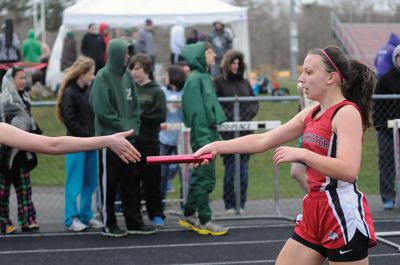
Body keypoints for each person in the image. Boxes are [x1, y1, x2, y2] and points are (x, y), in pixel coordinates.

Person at [195, 46, 377, 264]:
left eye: (309, 72)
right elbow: (262, 140)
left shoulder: (346, 113)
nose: (301, 79)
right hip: (314, 209)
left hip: (340, 211)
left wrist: (303, 154)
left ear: (332, 77)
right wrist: (216, 146)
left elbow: (348, 170)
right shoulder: (311, 113)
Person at [90, 39, 156, 237]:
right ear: (116, 53)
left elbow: (135, 107)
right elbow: (102, 110)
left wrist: (133, 128)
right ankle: (109, 223)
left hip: (129, 141)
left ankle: (134, 222)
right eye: (125, 53)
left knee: (131, 182)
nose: (128, 56)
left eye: (129, 53)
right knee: (109, 184)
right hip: (108, 142)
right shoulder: (102, 77)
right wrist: (122, 129)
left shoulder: (127, 77)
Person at [179, 41, 228, 236]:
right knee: (204, 179)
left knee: (202, 176)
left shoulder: (204, 77)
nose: (214, 55)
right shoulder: (195, 80)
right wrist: (204, 140)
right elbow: (197, 113)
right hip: (203, 135)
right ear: (199, 55)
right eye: (209, 52)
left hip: (209, 133)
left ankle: (189, 214)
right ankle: (205, 219)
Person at [56, 56, 103, 231]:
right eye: (91, 73)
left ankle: (86, 215)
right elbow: (69, 120)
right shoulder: (70, 93)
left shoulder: (88, 91)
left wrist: (92, 138)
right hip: (76, 144)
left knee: (90, 182)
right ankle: (70, 218)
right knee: (74, 182)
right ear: (82, 73)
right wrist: (86, 137)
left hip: (90, 143)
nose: (93, 76)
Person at [213, 50, 259, 215]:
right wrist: (234, 116)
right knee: (231, 172)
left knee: (244, 172)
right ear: (227, 64)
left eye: (238, 63)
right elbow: (218, 106)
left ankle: (241, 204)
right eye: (233, 63)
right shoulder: (218, 82)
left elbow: (254, 103)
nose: (235, 66)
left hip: (246, 133)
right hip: (229, 135)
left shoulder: (245, 83)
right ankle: (229, 205)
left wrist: (246, 115)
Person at [0, 66, 41, 234]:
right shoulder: (4, 100)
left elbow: (28, 120)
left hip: (22, 152)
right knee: (2, 192)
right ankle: (3, 222)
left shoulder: (25, 99)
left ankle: (27, 219)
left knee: (24, 189)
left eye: (25, 78)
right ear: (11, 79)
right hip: (4, 154)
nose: (24, 81)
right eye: (20, 78)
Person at [129, 54, 167, 227]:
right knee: (132, 181)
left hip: (150, 142)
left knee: (152, 181)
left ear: (146, 69)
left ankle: (156, 213)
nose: (133, 72)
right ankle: (135, 215)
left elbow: (159, 115)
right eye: (131, 69)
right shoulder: (130, 90)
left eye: (136, 68)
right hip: (132, 143)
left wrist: (139, 116)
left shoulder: (156, 91)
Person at [372, 44, 400, 210]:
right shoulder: (385, 78)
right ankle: (388, 197)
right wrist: (380, 124)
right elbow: (377, 104)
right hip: (387, 130)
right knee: (386, 161)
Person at [159, 65, 187, 210]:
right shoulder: (162, 92)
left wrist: (182, 107)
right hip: (164, 137)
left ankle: (185, 206)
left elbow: (187, 115)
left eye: (167, 74)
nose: (165, 77)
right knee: (162, 173)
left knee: (185, 173)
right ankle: (160, 207)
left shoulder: (185, 93)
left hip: (182, 139)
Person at [290, 82, 316, 192]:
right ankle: (317, 199)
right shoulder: (303, 84)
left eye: (309, 71)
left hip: (320, 131)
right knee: (296, 171)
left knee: (321, 174)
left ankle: (322, 201)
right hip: (307, 130)